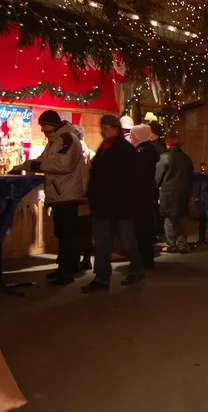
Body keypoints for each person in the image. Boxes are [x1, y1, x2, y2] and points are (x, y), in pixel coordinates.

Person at [12, 110, 84, 286]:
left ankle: (66, 272)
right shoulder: (55, 140)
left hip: (66, 193)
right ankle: (65, 268)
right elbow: (43, 159)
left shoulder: (67, 139)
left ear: (50, 124)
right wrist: (26, 165)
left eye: (43, 126)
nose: (42, 130)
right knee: (63, 233)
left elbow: (63, 164)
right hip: (61, 193)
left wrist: (37, 165)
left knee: (67, 234)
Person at [81, 115, 144, 293]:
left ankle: (137, 268)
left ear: (115, 128)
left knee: (126, 242)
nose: (103, 130)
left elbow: (132, 179)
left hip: (121, 205)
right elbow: (96, 176)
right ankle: (101, 279)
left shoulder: (125, 150)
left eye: (106, 127)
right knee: (102, 244)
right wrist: (92, 195)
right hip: (102, 205)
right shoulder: (104, 148)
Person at [155, 135, 194, 254]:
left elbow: (158, 176)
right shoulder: (187, 158)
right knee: (182, 219)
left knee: (169, 219)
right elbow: (190, 177)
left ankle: (171, 245)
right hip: (183, 192)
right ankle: (182, 245)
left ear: (168, 143)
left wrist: (155, 187)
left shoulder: (165, 157)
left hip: (168, 192)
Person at [130, 124, 160, 269]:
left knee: (142, 229)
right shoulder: (145, 150)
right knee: (144, 228)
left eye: (132, 134)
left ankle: (143, 260)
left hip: (141, 195)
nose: (130, 137)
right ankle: (144, 259)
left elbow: (137, 175)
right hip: (145, 194)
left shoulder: (142, 151)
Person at [76, 126, 95, 271]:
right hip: (87, 197)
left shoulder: (72, 155)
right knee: (86, 231)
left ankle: (78, 260)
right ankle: (86, 259)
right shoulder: (91, 154)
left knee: (75, 231)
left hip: (76, 197)